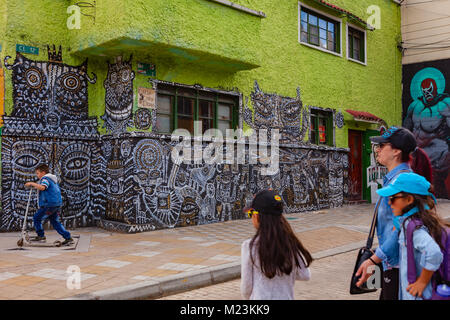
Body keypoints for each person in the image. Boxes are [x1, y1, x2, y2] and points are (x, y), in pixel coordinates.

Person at [355, 126, 416, 300]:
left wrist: (374, 259)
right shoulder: (394, 180)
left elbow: (402, 229)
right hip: (393, 265)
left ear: (396, 151)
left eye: (382, 145)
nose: (377, 149)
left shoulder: (402, 183)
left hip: (399, 267)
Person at [375, 172, 447, 299]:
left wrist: (422, 282)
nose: (389, 203)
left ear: (409, 200)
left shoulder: (413, 228)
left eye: (393, 198)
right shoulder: (410, 223)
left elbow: (434, 253)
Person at [240, 190, 312, 300]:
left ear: (257, 216)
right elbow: (305, 275)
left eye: (251, 214)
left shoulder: (250, 246)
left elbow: (246, 288)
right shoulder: (290, 243)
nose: (251, 218)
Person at [25, 164, 73, 245]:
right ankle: (68, 237)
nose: (37, 175)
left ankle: (41, 236)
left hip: (48, 204)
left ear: (43, 172)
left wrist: (32, 184)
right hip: (56, 204)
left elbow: (43, 187)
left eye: (38, 173)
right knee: (55, 221)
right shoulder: (53, 180)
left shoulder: (45, 179)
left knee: (37, 218)